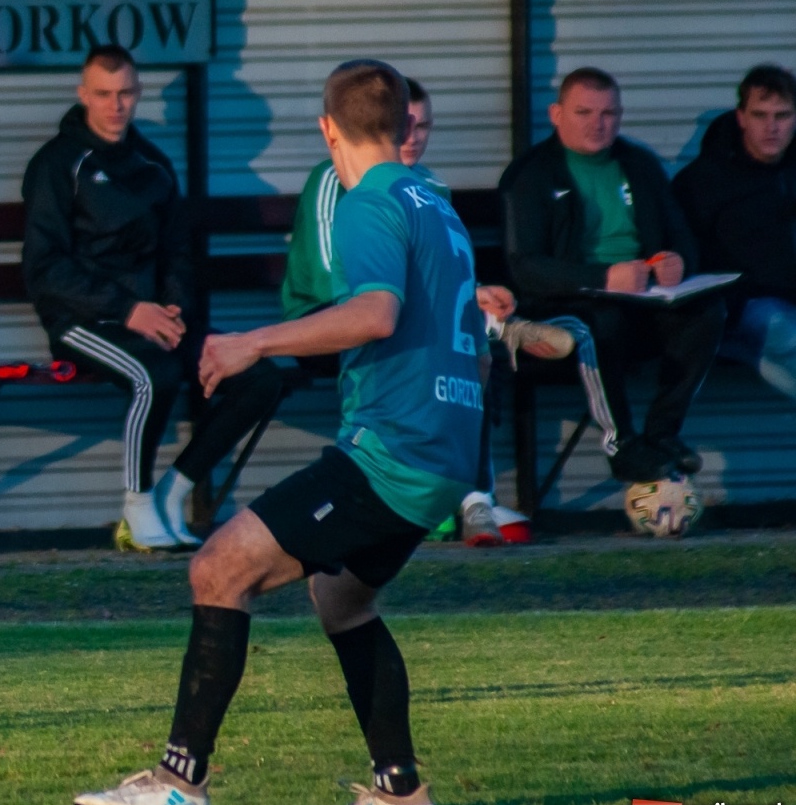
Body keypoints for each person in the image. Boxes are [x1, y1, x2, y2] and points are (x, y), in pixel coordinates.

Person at [73, 60, 485, 805]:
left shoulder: (368, 201)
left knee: (219, 566)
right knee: (341, 598)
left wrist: (251, 344)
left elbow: (375, 314)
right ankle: (401, 793)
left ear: (328, 129)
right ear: (401, 125)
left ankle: (178, 783)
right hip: (444, 455)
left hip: (390, 453)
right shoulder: (438, 204)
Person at [280, 77, 571, 545]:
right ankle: (448, 492)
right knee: (455, 345)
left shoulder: (430, 187)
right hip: (327, 317)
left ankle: (470, 497)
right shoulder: (338, 183)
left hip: (392, 319)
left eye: (424, 128)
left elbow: (426, 273)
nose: (413, 137)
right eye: (407, 127)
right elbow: (338, 282)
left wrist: (472, 292)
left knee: (465, 349)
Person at [22, 44, 286, 550]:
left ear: (138, 94)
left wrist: (174, 310)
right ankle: (136, 507)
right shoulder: (57, 164)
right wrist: (127, 309)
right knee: (155, 375)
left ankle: (173, 491)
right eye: (103, 94)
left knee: (260, 378)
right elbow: (44, 268)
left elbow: (177, 253)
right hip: (83, 322)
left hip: (155, 319)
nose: (115, 105)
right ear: (83, 95)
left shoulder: (153, 164)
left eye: (125, 93)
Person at [500, 67, 725, 484]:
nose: (597, 124)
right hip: (568, 303)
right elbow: (525, 267)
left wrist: (676, 262)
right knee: (598, 324)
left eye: (609, 114)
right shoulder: (531, 175)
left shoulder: (638, 164)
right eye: (584, 112)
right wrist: (603, 277)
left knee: (707, 312)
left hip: (644, 296)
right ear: (556, 114)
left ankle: (662, 435)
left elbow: (681, 236)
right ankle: (621, 445)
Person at [674, 64, 796, 400]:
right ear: (741, 117)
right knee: (785, 334)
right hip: (740, 308)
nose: (771, 127)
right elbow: (681, 257)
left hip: (786, 307)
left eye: (782, 115)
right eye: (760, 115)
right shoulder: (703, 181)